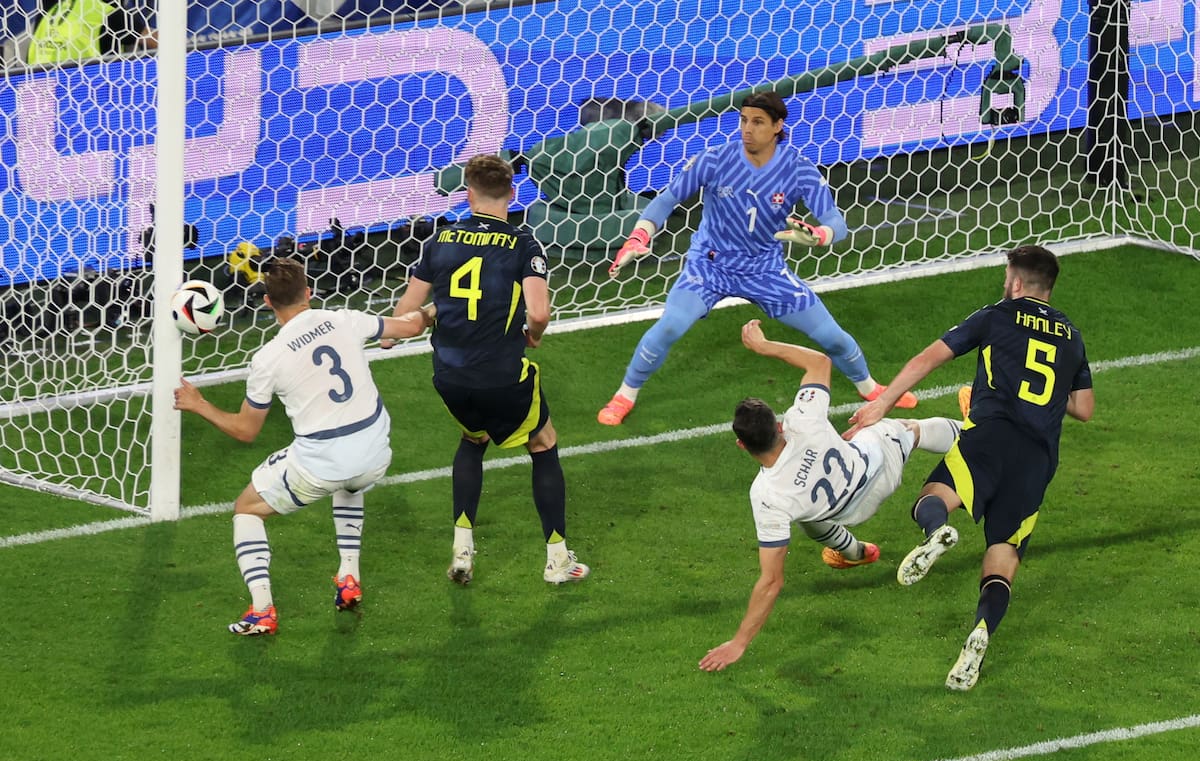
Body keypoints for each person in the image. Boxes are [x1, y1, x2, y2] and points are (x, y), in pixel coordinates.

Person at [846, 245, 1094, 690]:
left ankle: (936, 532)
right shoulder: (1072, 336)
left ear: (1016, 282)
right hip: (1037, 460)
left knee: (933, 497)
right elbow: (1085, 409)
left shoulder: (996, 315)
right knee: (1003, 553)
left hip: (990, 436)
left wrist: (881, 404)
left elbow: (928, 358)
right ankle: (980, 632)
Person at [597, 90, 917, 427]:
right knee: (670, 326)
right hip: (710, 266)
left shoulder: (798, 169)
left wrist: (819, 235)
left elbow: (837, 223)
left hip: (765, 270)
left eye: (758, 122)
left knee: (831, 336)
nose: (747, 129)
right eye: (744, 120)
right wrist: (639, 236)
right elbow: (666, 200)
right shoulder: (714, 159)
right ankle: (624, 395)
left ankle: (870, 388)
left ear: (778, 126)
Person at [173, 256, 435, 636]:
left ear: (268, 303)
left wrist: (199, 404)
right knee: (351, 481)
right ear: (308, 292)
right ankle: (349, 575)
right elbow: (410, 326)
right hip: (376, 454)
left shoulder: (267, 359)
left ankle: (262, 610)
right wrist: (437, 307)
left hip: (321, 465)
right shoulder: (344, 319)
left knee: (247, 509)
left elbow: (246, 430)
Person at [699, 320, 961, 672]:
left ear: (741, 446)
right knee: (910, 429)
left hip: (849, 512)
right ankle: (974, 430)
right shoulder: (802, 419)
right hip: (881, 467)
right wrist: (763, 345)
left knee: (808, 517)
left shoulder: (767, 497)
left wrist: (739, 643)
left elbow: (771, 581)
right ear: (779, 425)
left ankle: (856, 552)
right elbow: (820, 362)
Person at [389, 153, 589, 586]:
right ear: (512, 193)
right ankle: (557, 560)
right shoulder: (524, 245)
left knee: (473, 438)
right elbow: (539, 312)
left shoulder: (439, 241)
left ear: (468, 194)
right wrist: (533, 335)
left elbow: (403, 317)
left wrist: (400, 330)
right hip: (499, 375)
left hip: (449, 377)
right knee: (543, 442)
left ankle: (462, 551)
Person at [26, 0, 156, 66]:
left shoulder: (50, 9)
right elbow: (155, 40)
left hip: (35, 94)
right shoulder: (107, 13)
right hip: (85, 94)